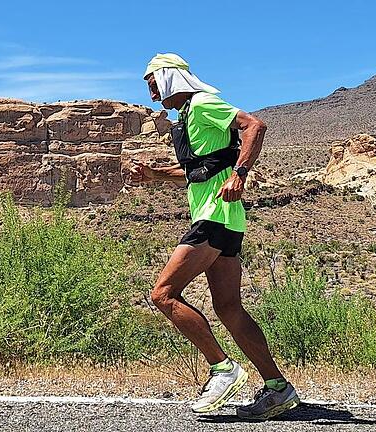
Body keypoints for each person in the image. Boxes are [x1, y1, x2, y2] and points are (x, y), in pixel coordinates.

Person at [129, 53, 300, 420]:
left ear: (170, 77)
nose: (150, 89)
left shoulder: (204, 104)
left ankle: (222, 369)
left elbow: (255, 125)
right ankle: (278, 388)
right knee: (228, 307)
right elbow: (200, 169)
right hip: (228, 219)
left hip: (215, 216)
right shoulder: (188, 116)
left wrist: (240, 175)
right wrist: (155, 175)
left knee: (163, 294)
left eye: (152, 80)